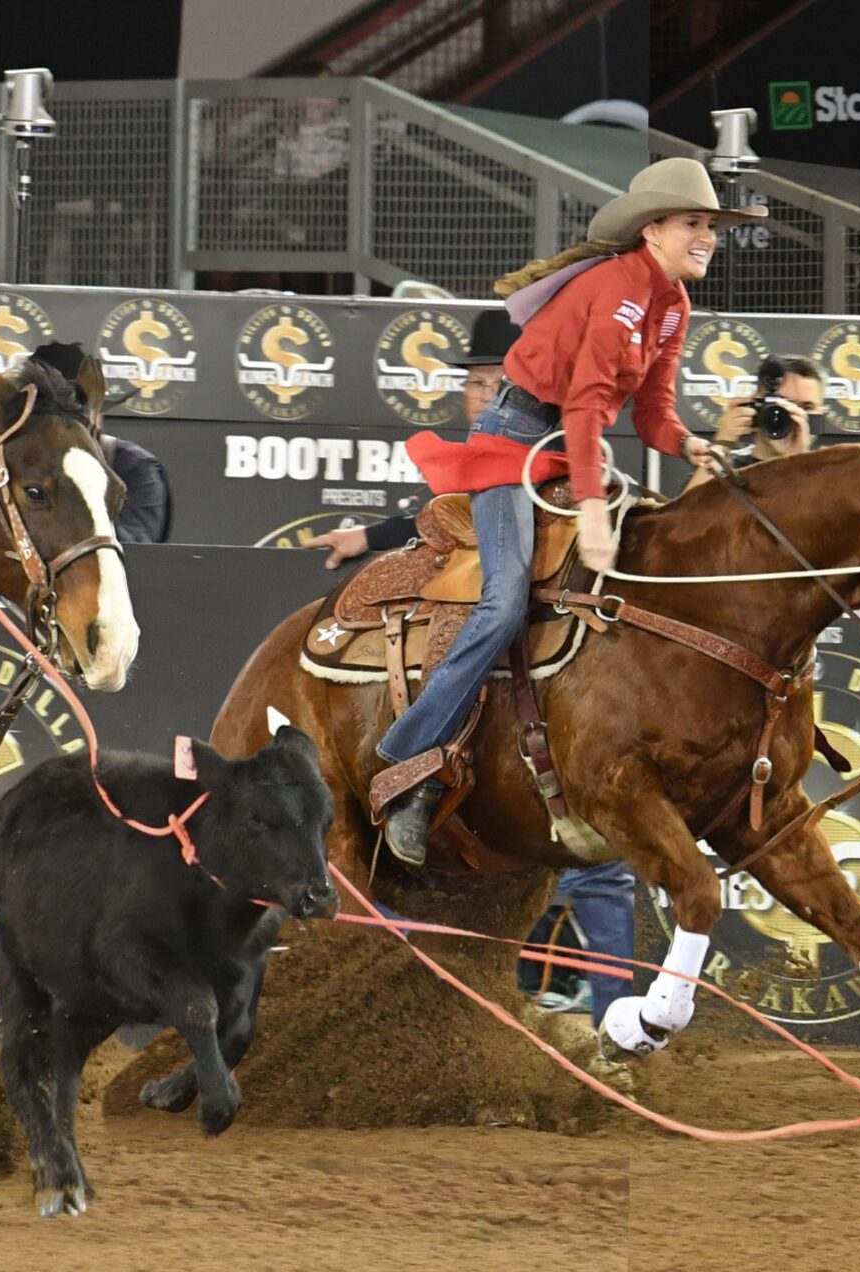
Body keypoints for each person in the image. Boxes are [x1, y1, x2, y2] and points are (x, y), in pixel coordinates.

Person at [372, 158, 748, 863]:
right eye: (695, 224)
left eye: (712, 227)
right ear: (654, 228)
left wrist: (693, 444)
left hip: (568, 451)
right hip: (511, 446)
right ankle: (405, 755)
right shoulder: (618, 288)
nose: (707, 238)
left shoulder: (673, 304)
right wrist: (596, 513)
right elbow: (582, 406)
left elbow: (654, 412)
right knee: (506, 601)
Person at [311, 308, 519, 569]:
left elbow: (459, 519)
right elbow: (445, 516)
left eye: (500, 386)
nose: (487, 396)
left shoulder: (533, 453)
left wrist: (369, 536)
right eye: (477, 383)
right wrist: (368, 536)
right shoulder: (469, 457)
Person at [27, 341, 170, 544]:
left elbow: (140, 549)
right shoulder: (15, 468)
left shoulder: (133, 467)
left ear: (95, 411)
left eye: (75, 410)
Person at [683, 354, 824, 491]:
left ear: (821, 415)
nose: (794, 415)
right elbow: (685, 513)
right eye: (782, 405)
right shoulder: (724, 471)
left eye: (806, 408)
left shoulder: (832, 475)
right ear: (756, 406)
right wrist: (723, 443)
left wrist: (798, 463)